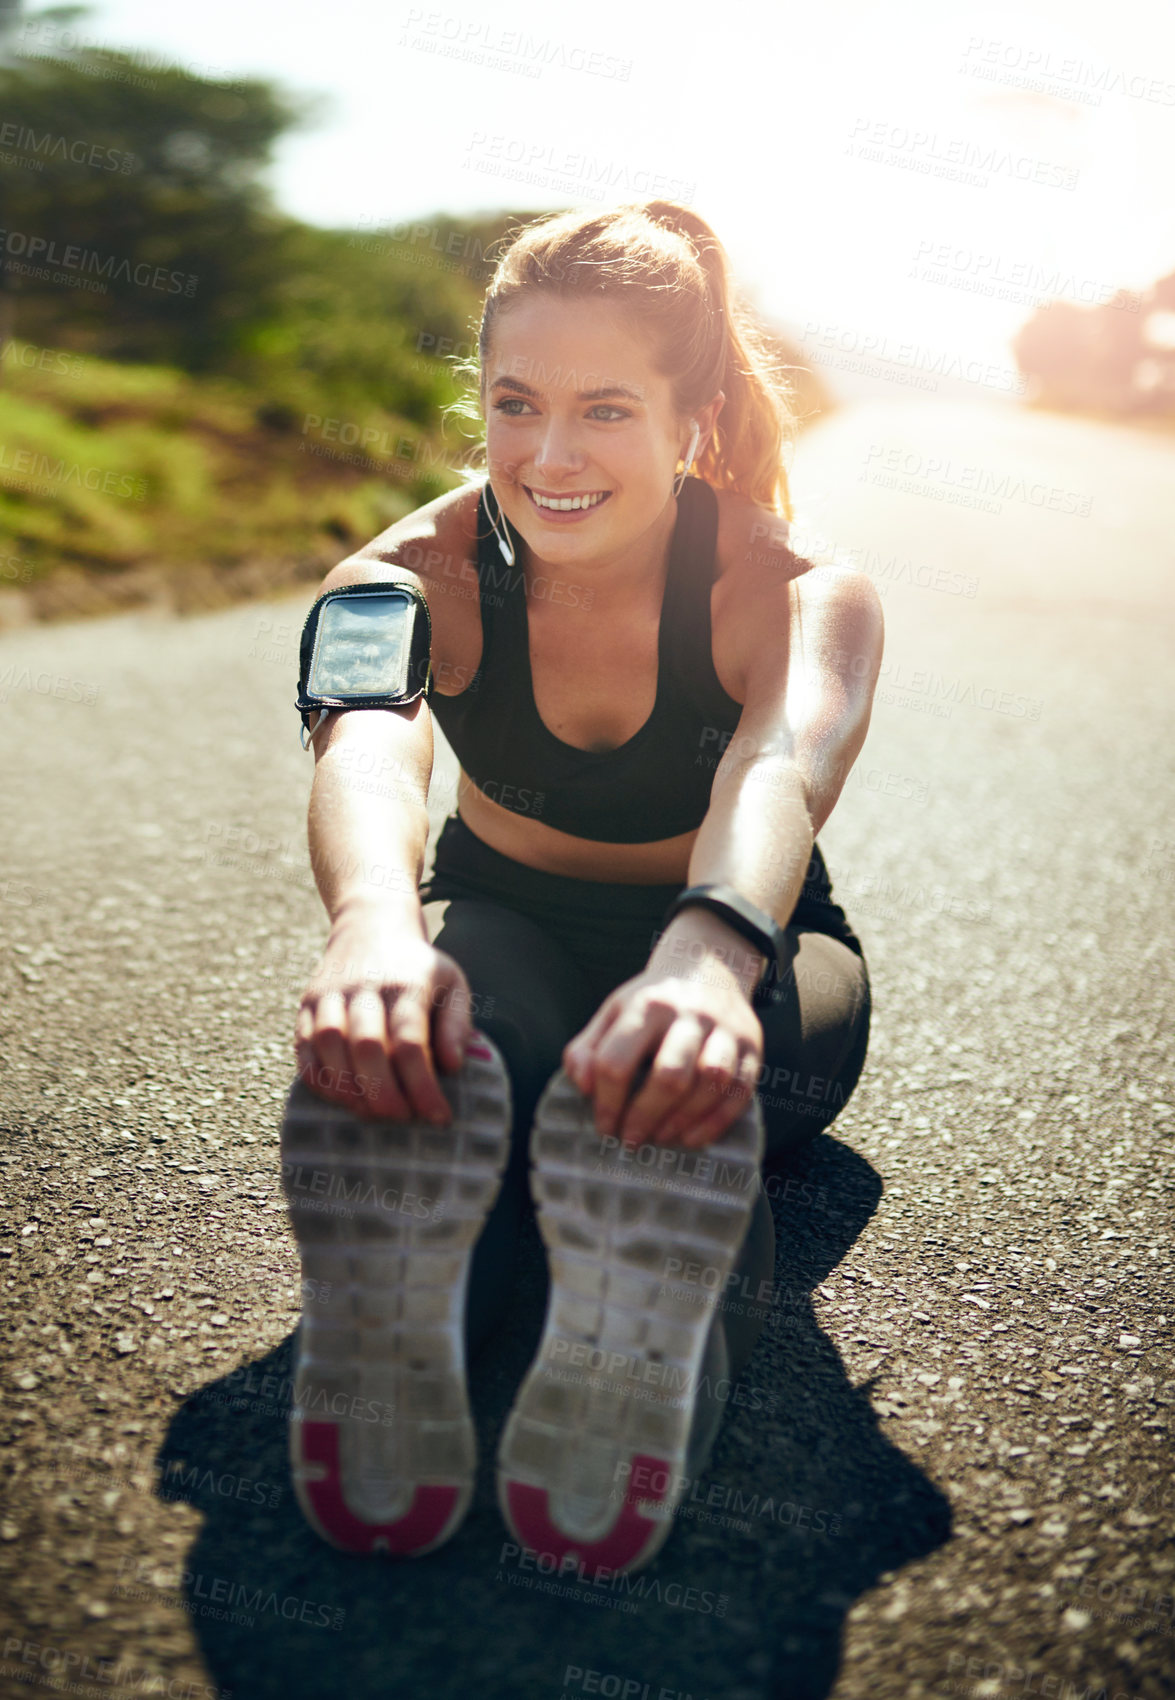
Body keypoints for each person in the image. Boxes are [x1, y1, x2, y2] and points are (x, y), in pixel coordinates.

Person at [278, 200, 883, 1571]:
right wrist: (375, 926)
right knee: (458, 1054)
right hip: (505, 928)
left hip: (756, 963)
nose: (550, 456)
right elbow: (367, 753)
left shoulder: (798, 588)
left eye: (607, 410)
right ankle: (408, 1321)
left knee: (674, 1089)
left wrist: (711, 958)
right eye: (515, 403)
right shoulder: (394, 578)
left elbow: (778, 772)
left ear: (694, 416)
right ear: (477, 401)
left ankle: (663, 1316)